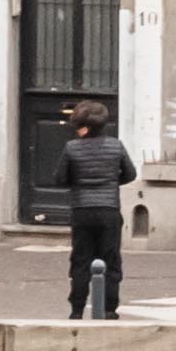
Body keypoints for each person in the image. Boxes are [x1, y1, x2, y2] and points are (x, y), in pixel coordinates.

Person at [51, 97, 140, 324]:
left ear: (81, 126)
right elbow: (130, 174)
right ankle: (110, 309)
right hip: (109, 209)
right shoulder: (115, 145)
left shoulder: (71, 148)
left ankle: (77, 309)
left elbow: (60, 179)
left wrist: (80, 183)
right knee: (111, 260)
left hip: (82, 209)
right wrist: (110, 182)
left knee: (80, 261)